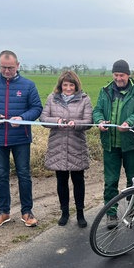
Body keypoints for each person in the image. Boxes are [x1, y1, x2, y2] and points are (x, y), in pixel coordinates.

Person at [0, 50, 43, 227]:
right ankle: (3, 212)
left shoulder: (28, 85)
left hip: (21, 138)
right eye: (3, 67)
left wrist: (23, 118)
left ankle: (27, 212)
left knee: (24, 175)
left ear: (18, 65)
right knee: (1, 175)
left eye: (10, 68)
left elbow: (37, 108)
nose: (7, 71)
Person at [92, 59, 134, 229]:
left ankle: (132, 210)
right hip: (110, 145)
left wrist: (129, 122)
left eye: (121, 75)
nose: (118, 78)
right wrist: (99, 120)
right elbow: (97, 110)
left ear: (128, 75)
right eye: (115, 75)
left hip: (130, 143)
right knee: (110, 181)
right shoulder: (105, 90)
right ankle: (111, 214)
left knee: (133, 180)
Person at [39, 71, 93, 228]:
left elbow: (89, 121)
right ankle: (64, 212)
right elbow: (43, 119)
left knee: (78, 181)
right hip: (58, 145)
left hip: (77, 145)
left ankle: (80, 213)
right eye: (65, 85)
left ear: (76, 86)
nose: (68, 88)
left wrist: (75, 124)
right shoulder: (52, 98)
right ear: (60, 85)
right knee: (61, 181)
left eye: (71, 85)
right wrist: (58, 121)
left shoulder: (85, 99)